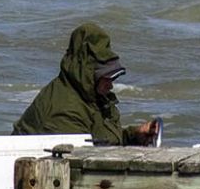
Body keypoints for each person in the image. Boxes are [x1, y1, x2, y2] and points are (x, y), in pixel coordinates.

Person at [12, 23, 160, 145]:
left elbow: (102, 137)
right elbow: (81, 160)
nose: (111, 85)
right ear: (89, 75)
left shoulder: (90, 98)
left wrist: (134, 136)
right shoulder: (65, 110)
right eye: (106, 78)